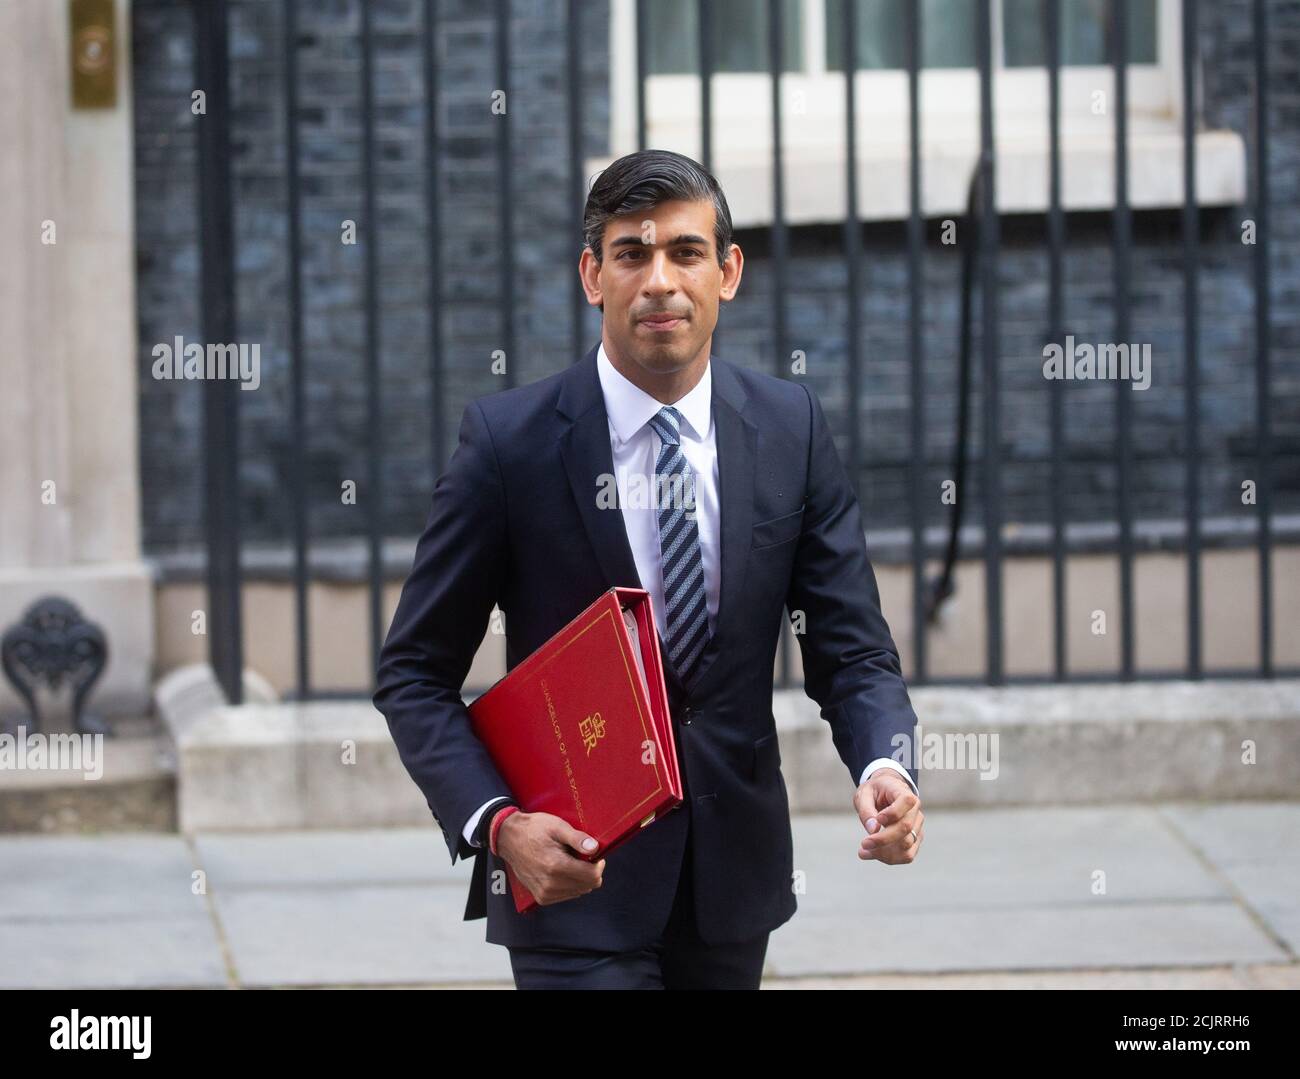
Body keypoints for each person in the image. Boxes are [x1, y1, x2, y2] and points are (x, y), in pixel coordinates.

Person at [374, 148, 924, 989]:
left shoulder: (790, 430)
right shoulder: (509, 445)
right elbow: (414, 673)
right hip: (570, 886)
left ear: (728, 272)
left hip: (732, 889)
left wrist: (887, 766)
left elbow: (852, 648)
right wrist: (500, 825)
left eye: (685, 252)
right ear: (593, 275)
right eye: (631, 254)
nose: (659, 280)